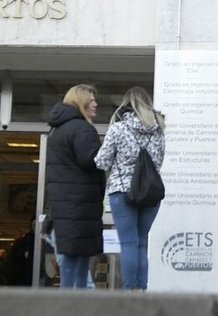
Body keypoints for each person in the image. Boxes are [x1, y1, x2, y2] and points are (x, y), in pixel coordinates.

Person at [95, 87, 167, 291]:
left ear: (127, 104)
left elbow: (101, 162)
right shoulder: (159, 130)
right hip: (151, 192)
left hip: (122, 191)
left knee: (128, 243)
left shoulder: (118, 128)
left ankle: (128, 292)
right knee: (140, 243)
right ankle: (141, 290)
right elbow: (159, 162)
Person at [45, 84, 105, 290]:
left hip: (66, 204)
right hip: (81, 202)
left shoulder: (57, 130)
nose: (95, 104)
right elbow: (89, 161)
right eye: (91, 100)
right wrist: (107, 153)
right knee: (78, 260)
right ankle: (76, 307)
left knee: (72, 258)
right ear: (81, 102)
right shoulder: (83, 129)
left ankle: (71, 305)